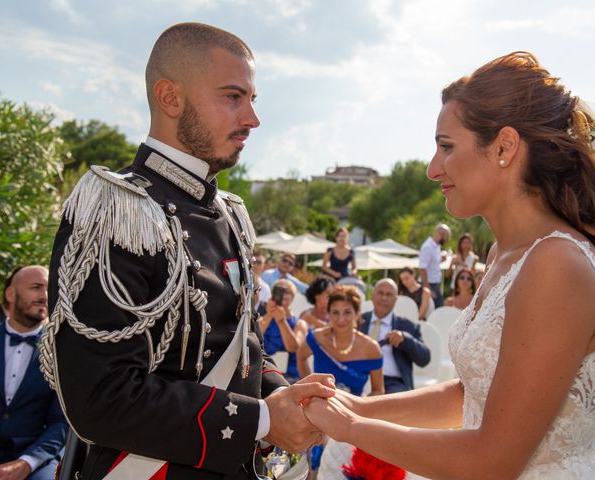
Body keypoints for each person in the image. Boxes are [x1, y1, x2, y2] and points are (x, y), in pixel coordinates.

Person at [301, 51, 595, 479]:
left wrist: (351, 427)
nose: (434, 170)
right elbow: (472, 394)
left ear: (505, 147)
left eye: (446, 147)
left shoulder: (556, 265)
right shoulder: (504, 256)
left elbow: (492, 461)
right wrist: (359, 406)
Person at [40, 23, 335, 480]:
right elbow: (100, 396)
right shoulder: (118, 210)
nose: (253, 119)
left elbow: (239, 347)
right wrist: (264, 420)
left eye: (252, 100)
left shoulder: (229, 212)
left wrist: (286, 395)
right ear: (170, 98)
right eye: (233, 97)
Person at [0, 266, 68, 480]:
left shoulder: (62, 352)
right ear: (11, 294)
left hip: (36, 459)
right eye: (36, 287)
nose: (45, 296)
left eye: (49, 288)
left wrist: (27, 462)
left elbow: (61, 422)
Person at [297, 285, 384, 396]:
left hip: (353, 409)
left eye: (347, 312)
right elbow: (301, 356)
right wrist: (309, 389)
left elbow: (378, 390)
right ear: (328, 314)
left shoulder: (371, 348)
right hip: (319, 406)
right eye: (335, 312)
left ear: (357, 314)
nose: (341, 319)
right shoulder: (317, 338)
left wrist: (361, 407)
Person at [359, 279, 430, 393]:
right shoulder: (357, 321)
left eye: (389, 294)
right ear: (372, 295)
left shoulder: (407, 326)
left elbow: (424, 359)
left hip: (393, 383)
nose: (384, 298)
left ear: (396, 299)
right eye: (380, 293)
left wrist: (405, 339)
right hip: (359, 376)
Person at [258, 280, 308, 383]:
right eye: (279, 290)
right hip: (263, 371)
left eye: (287, 291)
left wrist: (282, 322)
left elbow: (293, 347)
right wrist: (270, 314)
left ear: (293, 296)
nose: (284, 294)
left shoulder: (299, 323)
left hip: (290, 377)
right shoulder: (263, 319)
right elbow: (255, 336)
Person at [419, 223, 451, 307]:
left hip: (434, 284)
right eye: (447, 238)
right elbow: (422, 268)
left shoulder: (436, 246)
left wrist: (440, 259)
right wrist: (427, 288)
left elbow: (431, 264)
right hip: (429, 284)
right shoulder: (428, 247)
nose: (447, 240)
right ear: (441, 235)